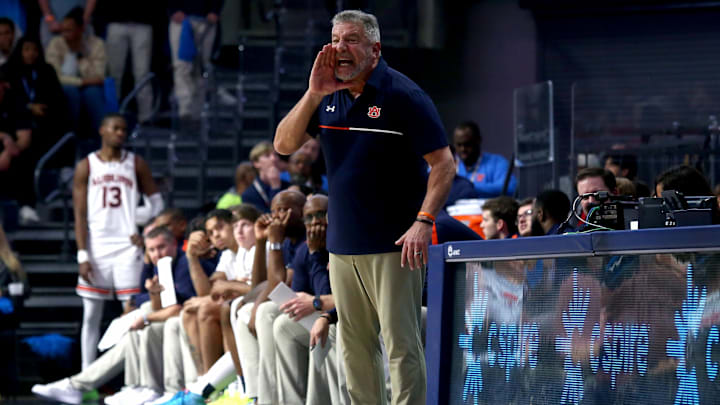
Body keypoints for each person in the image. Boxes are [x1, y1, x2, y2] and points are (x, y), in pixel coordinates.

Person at [274, 9, 455, 404]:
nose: (340, 48)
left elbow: (443, 163)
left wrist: (424, 221)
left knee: (401, 346)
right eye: (335, 39)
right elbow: (283, 145)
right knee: (354, 348)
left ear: (374, 49)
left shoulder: (404, 95)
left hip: (395, 245)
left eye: (351, 39)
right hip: (343, 246)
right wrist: (313, 93)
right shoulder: (327, 94)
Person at [31, 226, 212, 405]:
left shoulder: (183, 264)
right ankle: (134, 387)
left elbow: (179, 308)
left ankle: (150, 388)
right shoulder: (160, 266)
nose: (158, 253)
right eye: (152, 249)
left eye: (162, 247)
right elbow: (155, 305)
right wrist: (153, 295)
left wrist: (146, 317)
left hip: (194, 319)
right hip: (177, 319)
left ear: (174, 244)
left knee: (146, 321)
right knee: (141, 319)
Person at [72, 113, 163, 369]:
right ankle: (85, 377)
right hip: (96, 245)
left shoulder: (135, 163)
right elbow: (79, 215)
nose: (121, 133)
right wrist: (82, 255)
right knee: (91, 315)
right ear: (102, 130)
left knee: (131, 312)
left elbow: (157, 203)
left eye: (124, 129)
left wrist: (140, 224)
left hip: (127, 246)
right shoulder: (87, 166)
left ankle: (131, 376)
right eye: (116, 128)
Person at [45, 7, 106, 136]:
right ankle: (70, 137)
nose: (64, 34)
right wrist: (81, 81)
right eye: (63, 30)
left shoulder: (96, 44)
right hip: (66, 87)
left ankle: (103, 139)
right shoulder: (55, 44)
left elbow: (99, 76)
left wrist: (80, 55)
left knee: (93, 93)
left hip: (90, 87)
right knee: (70, 91)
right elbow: (53, 76)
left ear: (80, 29)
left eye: (69, 30)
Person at [167, 0, 223, 120]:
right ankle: (185, 111)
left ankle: (198, 113)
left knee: (201, 68)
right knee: (181, 66)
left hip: (206, 20)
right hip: (180, 21)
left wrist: (215, 10)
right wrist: (172, 10)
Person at [453, 120, 517, 198]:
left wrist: (470, 187)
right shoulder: (451, 164)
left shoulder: (497, 162)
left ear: (478, 141)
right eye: (459, 145)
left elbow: (510, 188)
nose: (463, 149)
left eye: (467, 144)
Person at [241, 141, 290, 213]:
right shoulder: (249, 194)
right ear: (256, 163)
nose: (274, 159)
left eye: (275, 155)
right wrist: (275, 187)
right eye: (267, 156)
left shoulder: (289, 186)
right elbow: (273, 215)